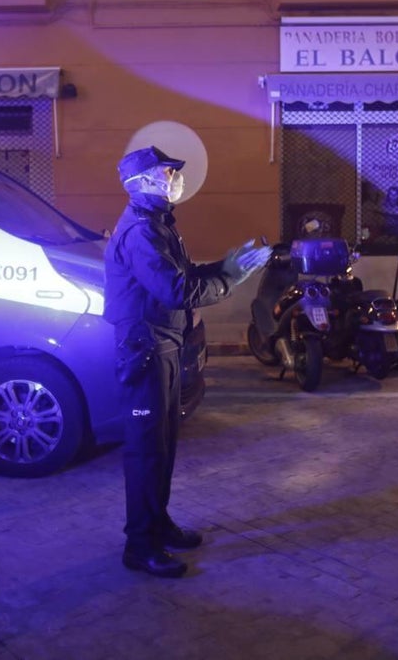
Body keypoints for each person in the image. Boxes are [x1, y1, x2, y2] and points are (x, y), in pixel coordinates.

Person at [103, 145, 271, 578]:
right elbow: (176, 292)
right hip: (146, 349)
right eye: (166, 173)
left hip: (165, 344)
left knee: (162, 446)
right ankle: (139, 545)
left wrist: (225, 265)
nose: (174, 179)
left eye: (172, 173)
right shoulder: (141, 232)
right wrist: (229, 281)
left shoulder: (159, 226)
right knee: (144, 452)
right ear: (140, 183)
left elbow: (183, 276)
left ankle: (158, 524)